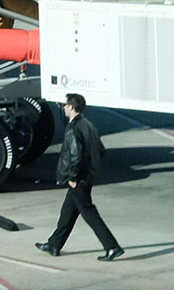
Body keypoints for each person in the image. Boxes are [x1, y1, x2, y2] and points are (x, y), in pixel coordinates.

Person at [38, 92, 124, 260]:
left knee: (89, 213)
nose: (63, 108)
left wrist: (73, 177)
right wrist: (90, 169)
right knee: (67, 212)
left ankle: (112, 247)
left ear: (71, 107)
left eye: (65, 105)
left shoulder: (73, 128)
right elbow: (101, 150)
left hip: (78, 180)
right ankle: (54, 244)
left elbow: (75, 156)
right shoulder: (89, 125)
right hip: (87, 176)